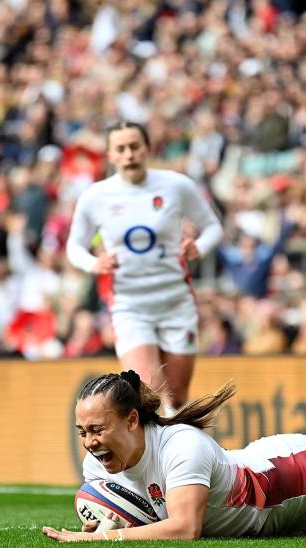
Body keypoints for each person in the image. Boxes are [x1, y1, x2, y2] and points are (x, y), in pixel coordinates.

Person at [43, 344, 306, 542]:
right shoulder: (98, 466)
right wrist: (108, 521)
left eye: (98, 430)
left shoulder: (179, 445)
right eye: (82, 432)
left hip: (286, 484)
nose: (90, 443)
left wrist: (102, 541)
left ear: (133, 420)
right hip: (259, 492)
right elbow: (141, 511)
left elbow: (184, 529)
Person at [66, 122, 222, 413]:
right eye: (121, 149)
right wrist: (94, 263)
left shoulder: (176, 185)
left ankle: (180, 453)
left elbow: (213, 226)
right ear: (111, 155)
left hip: (175, 302)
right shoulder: (95, 196)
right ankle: (156, 459)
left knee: (176, 399)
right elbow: (74, 247)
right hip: (130, 305)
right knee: (147, 395)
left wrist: (198, 246)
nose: (129, 155)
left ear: (147, 149)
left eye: (135, 147)